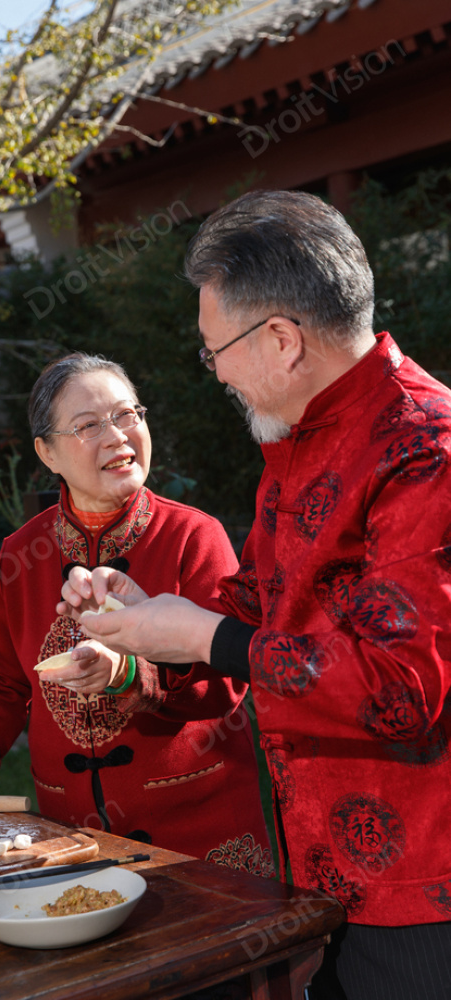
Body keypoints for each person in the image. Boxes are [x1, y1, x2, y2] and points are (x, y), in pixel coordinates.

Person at [59, 193, 451, 1000]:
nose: (218, 374)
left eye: (216, 352)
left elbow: (404, 690)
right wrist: (144, 619)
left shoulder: (425, 446)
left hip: (422, 888)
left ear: (281, 339)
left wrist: (206, 637)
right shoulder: (301, 438)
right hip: (322, 876)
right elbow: (254, 616)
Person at [0, 352, 272, 871]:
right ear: (47, 453)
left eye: (126, 415)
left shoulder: (193, 537)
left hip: (198, 836)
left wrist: (129, 673)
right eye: (88, 425)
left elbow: (229, 685)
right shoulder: (21, 555)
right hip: (75, 840)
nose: (116, 436)